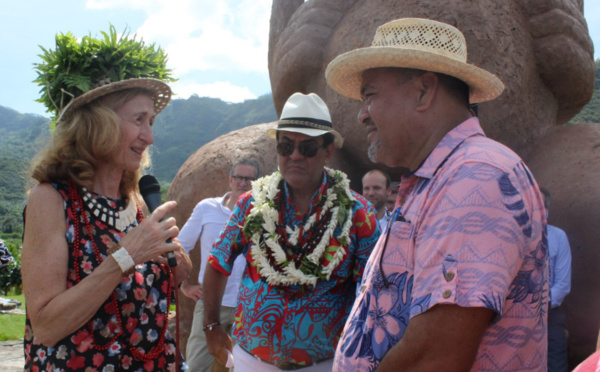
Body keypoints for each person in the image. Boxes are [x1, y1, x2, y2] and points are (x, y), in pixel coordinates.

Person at [326, 18, 548, 371]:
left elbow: (436, 357)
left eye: (369, 95)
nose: (361, 115)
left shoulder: (476, 177)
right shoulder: (441, 176)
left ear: (424, 91)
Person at [21, 28, 191, 371]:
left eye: (152, 121)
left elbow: (176, 280)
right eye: (139, 120)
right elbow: (46, 326)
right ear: (98, 124)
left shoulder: (138, 202)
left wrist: (177, 257)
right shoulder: (51, 201)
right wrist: (127, 256)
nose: (150, 136)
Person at [202, 92, 380, 371]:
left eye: (307, 148)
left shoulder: (357, 213)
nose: (295, 156)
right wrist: (211, 326)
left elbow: (376, 292)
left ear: (328, 151)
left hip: (325, 364)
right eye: (286, 147)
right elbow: (217, 262)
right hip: (251, 361)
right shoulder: (251, 204)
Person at [178, 158, 259, 372]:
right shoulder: (207, 208)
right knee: (198, 366)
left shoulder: (262, 215)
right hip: (211, 304)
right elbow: (180, 246)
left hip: (247, 307)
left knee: (240, 368)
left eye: (250, 178)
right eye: (240, 177)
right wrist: (184, 286)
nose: (244, 182)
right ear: (230, 179)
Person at [540, 187, 572, 372]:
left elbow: (563, 285)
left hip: (550, 313)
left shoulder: (558, 237)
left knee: (556, 364)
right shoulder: (512, 238)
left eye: (541, 205)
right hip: (516, 314)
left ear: (547, 210)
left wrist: (538, 304)